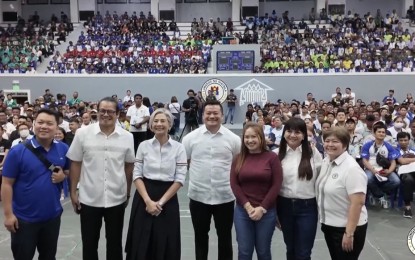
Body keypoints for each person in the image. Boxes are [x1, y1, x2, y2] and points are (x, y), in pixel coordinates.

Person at [67, 97, 135, 260]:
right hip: (89, 198)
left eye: (110, 111)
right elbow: (76, 163)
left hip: (116, 199)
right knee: (89, 243)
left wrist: (126, 192)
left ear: (118, 114)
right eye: (102, 111)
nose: (106, 114)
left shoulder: (127, 137)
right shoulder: (82, 134)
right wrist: (73, 191)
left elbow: (128, 166)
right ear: (97, 112)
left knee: (114, 243)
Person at [1, 108, 69, 260]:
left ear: (57, 127)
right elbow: (6, 184)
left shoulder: (63, 149)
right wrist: (8, 215)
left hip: (52, 217)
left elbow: (69, 172)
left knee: (48, 256)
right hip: (24, 219)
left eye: (49, 123)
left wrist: (62, 177)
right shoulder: (17, 151)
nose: (44, 126)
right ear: (33, 125)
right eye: (40, 122)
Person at [125, 108, 187, 260]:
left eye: (163, 121)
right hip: (144, 196)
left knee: (165, 241)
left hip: (168, 198)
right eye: (156, 121)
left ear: (170, 125)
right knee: (141, 240)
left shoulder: (179, 148)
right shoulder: (143, 146)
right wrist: (147, 201)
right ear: (151, 125)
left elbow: (179, 178)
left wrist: (159, 203)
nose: (159, 124)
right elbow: (137, 174)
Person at [182, 100, 241, 260]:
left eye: (216, 113)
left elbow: (237, 165)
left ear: (222, 115)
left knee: (225, 238)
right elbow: (185, 163)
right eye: (208, 113)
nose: (212, 116)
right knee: (200, 237)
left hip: (225, 197)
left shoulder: (234, 139)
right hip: (198, 196)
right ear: (203, 115)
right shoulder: (190, 139)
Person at [230, 122, 282, 259]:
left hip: (266, 212)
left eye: (254, 136)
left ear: (261, 138)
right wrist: (247, 206)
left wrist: (262, 208)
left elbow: (276, 185)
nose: (250, 140)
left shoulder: (272, 158)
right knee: (244, 251)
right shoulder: (238, 158)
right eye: (247, 137)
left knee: (263, 251)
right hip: (243, 212)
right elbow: (234, 184)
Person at [274, 118, 323, 260]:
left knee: (304, 252)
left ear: (304, 135)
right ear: (284, 133)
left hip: (307, 207)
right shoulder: (276, 154)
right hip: (284, 206)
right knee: (291, 249)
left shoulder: (313, 153)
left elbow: (321, 179)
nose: (293, 135)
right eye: (289, 131)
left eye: (298, 132)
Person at [316, 127, 368, 260]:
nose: (330, 145)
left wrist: (349, 233)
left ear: (345, 145)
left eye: (335, 141)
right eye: (327, 141)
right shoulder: (326, 161)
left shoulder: (352, 169)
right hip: (329, 225)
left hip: (346, 229)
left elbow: (358, 203)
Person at [361, 123, 400, 207]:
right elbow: (364, 160)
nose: (381, 133)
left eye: (383, 132)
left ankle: (377, 193)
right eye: (379, 132)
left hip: (383, 169)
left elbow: (393, 162)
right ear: (374, 133)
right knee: (367, 178)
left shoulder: (388, 146)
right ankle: (380, 195)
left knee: (396, 181)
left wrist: (389, 171)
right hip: (370, 169)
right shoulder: (367, 145)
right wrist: (373, 171)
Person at [396, 132, 415, 218]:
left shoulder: (413, 150)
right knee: (408, 180)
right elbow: (402, 161)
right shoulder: (395, 150)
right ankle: (407, 207)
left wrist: (408, 160)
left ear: (409, 140)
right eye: (401, 140)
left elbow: (405, 160)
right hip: (403, 172)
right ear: (398, 141)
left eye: (405, 140)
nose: (403, 142)